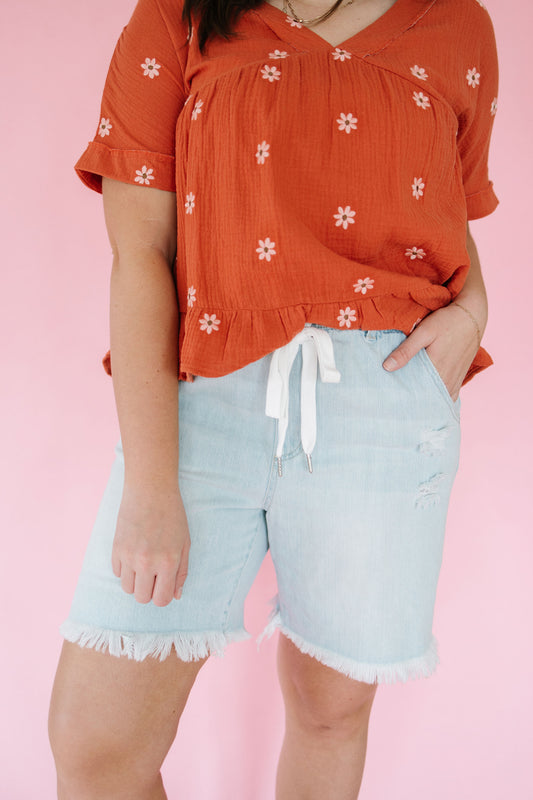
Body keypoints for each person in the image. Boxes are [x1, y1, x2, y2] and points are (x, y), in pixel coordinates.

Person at [48, 0, 500, 796]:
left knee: (330, 714)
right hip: (201, 394)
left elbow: (445, 208)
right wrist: (153, 487)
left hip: (383, 397)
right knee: (97, 748)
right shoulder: (179, 16)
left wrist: (474, 308)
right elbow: (140, 254)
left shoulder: (456, 21)